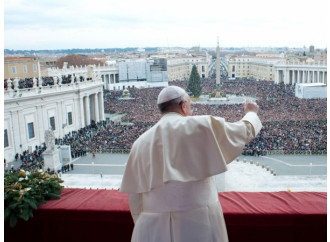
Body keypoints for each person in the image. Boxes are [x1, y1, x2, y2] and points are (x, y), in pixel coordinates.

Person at [120, 86, 262, 242]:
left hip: (153, 228)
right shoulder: (201, 126)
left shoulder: (140, 143)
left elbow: (135, 196)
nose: (192, 111)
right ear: (183, 105)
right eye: (190, 106)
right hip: (200, 223)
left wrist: (144, 225)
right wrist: (251, 113)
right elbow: (243, 131)